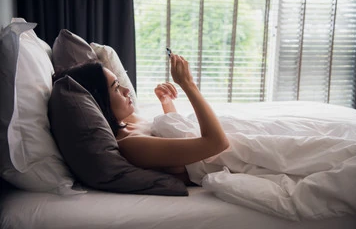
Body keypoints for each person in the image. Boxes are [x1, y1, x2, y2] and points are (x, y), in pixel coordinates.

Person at [53, 54, 229, 183]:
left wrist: (166, 103)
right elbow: (217, 143)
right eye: (116, 88)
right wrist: (188, 85)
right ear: (100, 102)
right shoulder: (131, 145)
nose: (126, 90)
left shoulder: (129, 121)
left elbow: (174, 135)